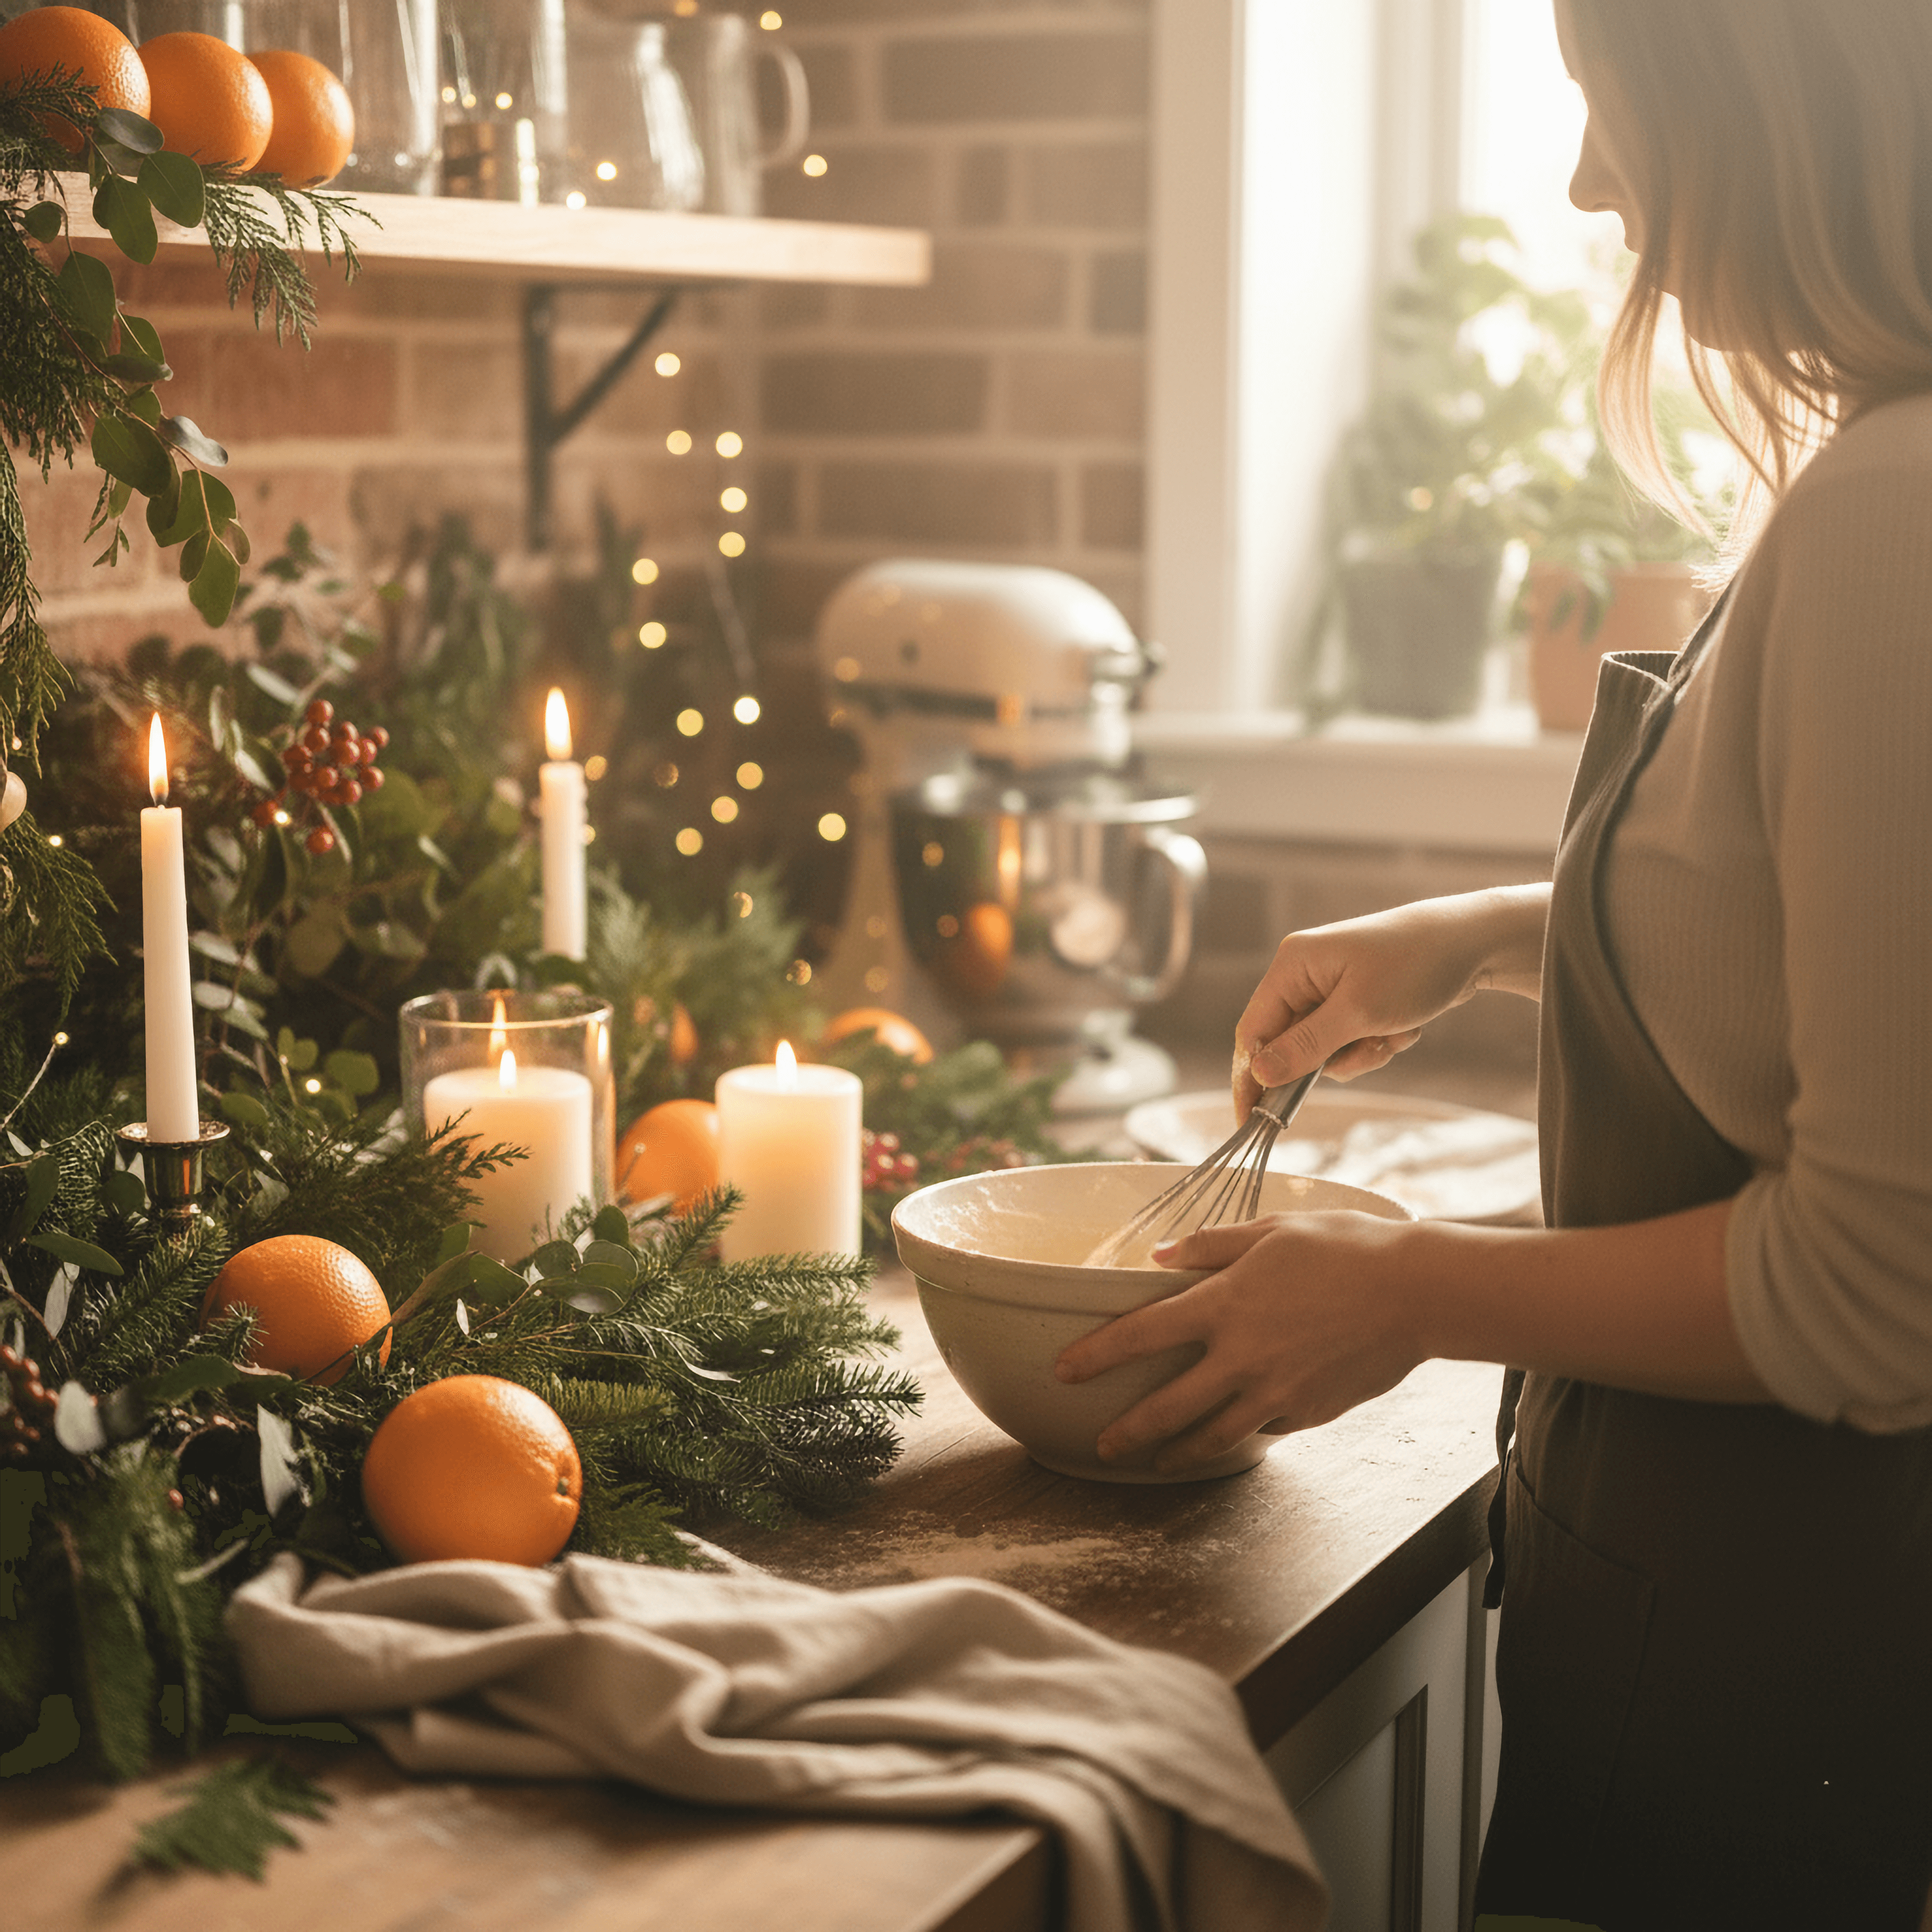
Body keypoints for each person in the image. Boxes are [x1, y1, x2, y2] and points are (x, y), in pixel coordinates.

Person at [1055, 1, 1932, 1924]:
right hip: (1701, 1618)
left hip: (1797, 1684)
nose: (1586, 179)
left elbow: (1877, 1295)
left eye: (1606, 106)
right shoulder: (1873, 473)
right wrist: (1485, 938)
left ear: (1761, 108)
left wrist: (1411, 1292)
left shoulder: (1894, 513)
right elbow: (1840, 948)